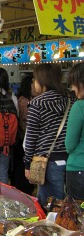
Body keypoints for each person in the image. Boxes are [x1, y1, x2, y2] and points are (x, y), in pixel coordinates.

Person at [24, 63, 74, 207]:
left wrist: (27, 164)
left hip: (46, 162)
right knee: (66, 203)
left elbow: (31, 137)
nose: (34, 83)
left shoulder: (37, 104)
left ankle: (52, 228)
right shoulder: (71, 100)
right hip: (69, 160)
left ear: (43, 80)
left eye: (35, 79)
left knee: (47, 204)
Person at [10, 74, 35, 195]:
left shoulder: (20, 99)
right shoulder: (25, 101)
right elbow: (25, 123)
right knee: (22, 170)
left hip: (20, 140)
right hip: (23, 141)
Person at [65, 62, 84, 200]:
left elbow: (69, 144)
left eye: (74, 84)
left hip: (78, 169)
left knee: (76, 216)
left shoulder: (79, 107)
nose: (72, 88)